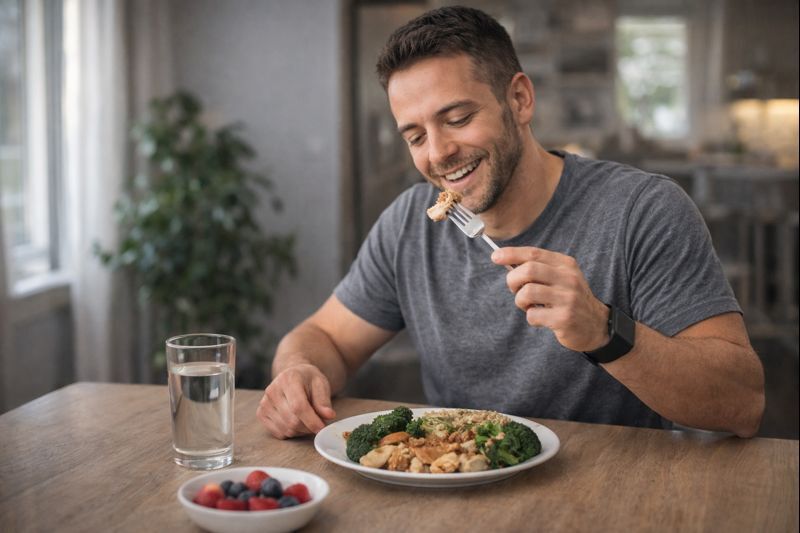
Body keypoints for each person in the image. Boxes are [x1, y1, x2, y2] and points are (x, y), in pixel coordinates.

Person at [257, 6, 764, 439]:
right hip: (459, 491)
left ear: (519, 99)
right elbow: (324, 336)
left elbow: (742, 404)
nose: (438, 153)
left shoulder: (643, 211)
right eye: (415, 136)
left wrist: (605, 331)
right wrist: (298, 371)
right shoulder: (410, 225)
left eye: (456, 118)